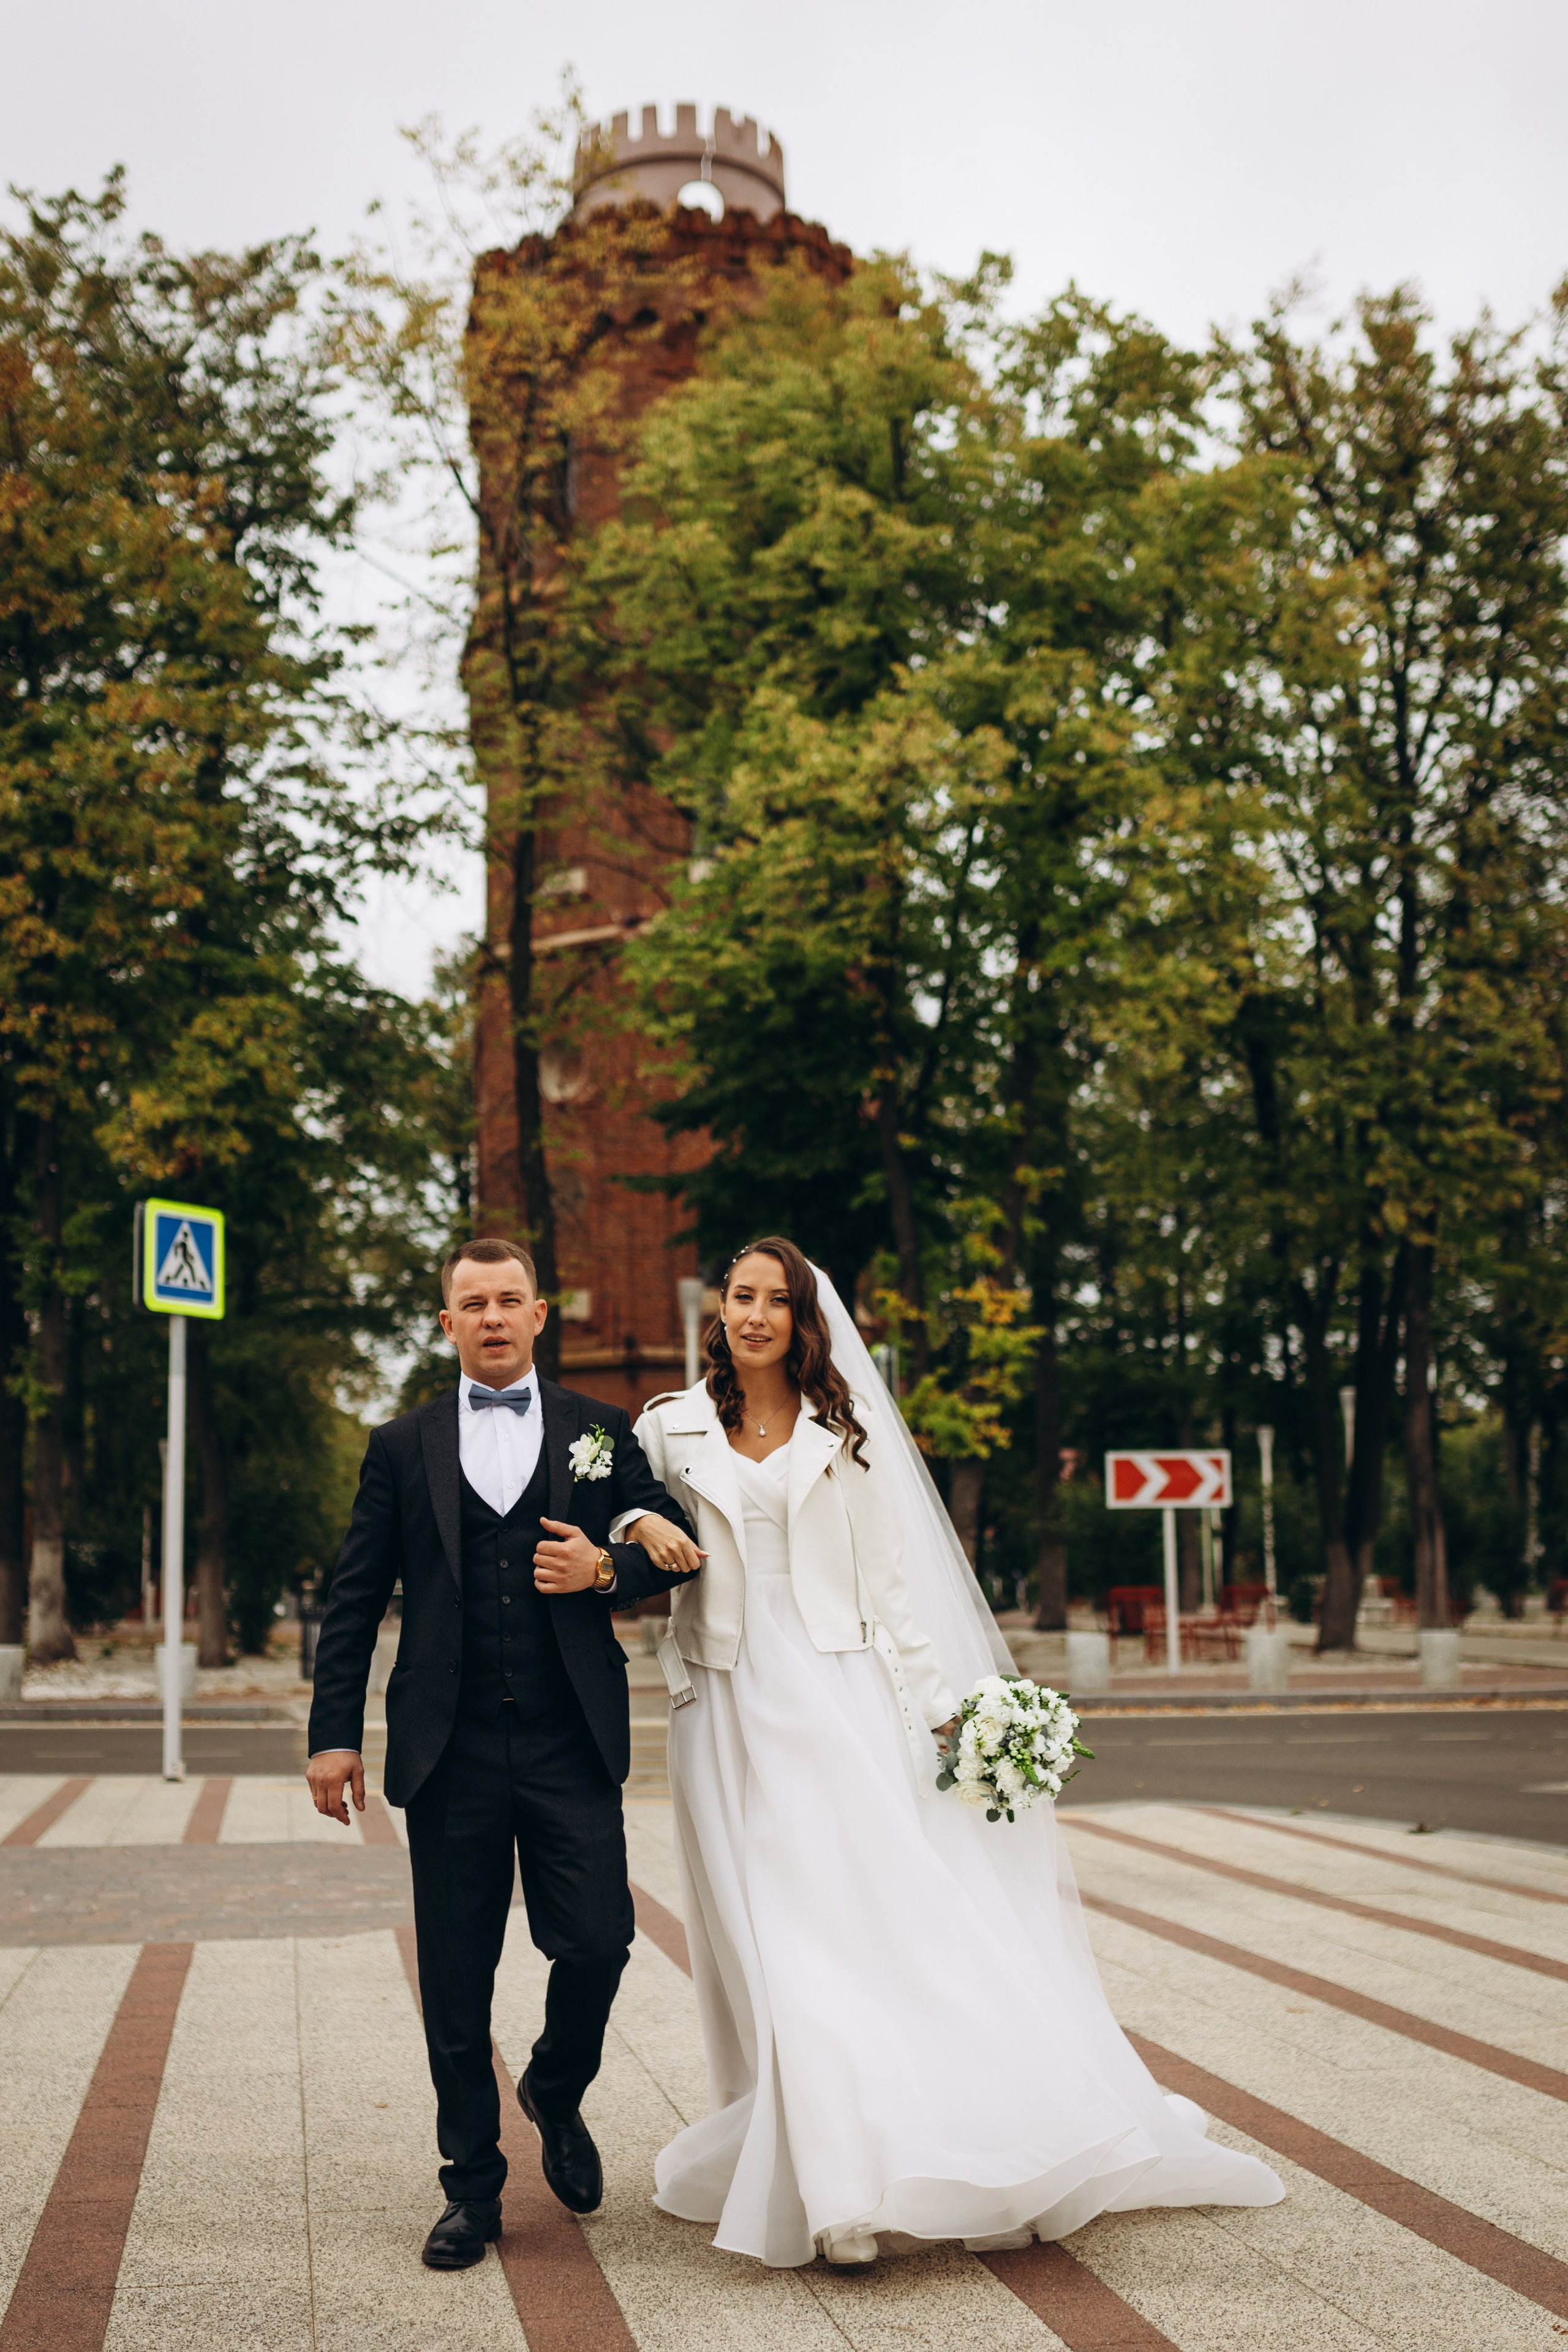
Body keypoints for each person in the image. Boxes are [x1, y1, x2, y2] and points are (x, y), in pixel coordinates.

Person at [634, 1238, 1284, 2270]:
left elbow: (892, 1588)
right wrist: (630, 1516)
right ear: (720, 1313)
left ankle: (862, 2192)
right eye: (740, 1298)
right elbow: (626, 1527)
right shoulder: (667, 1428)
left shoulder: (842, 1433)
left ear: (806, 1323)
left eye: (777, 1302)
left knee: (835, 1933)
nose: (754, 1315)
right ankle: (810, 2157)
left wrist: (946, 1717)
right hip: (718, 1706)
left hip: (834, 1701)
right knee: (758, 1942)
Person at [304, 1237, 703, 2271]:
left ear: (539, 1317)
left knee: (599, 1941)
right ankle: (471, 2191)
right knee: (455, 1980)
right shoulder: (401, 1446)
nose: (491, 1317)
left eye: (509, 1300)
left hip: (571, 1739)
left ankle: (555, 2091)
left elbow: (659, 1533)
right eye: (471, 1303)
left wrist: (607, 1567)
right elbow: (354, 1598)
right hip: (449, 1749)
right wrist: (332, 1735)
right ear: (447, 1325)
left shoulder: (598, 1429)